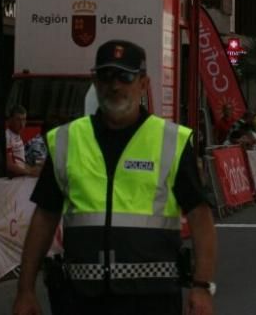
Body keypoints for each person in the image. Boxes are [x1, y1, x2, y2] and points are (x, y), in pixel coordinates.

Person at [13, 40, 216, 315]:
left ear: (143, 83)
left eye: (125, 76)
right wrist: (25, 291)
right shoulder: (67, 140)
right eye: (107, 76)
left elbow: (200, 217)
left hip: (151, 300)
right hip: (81, 299)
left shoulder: (172, 141)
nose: (115, 85)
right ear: (95, 82)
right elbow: (44, 217)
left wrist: (201, 286)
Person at [6, 105, 41, 178]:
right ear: (10, 120)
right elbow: (9, 165)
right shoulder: (7, 136)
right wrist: (30, 172)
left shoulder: (17, 134)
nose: (22, 124)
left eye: (24, 120)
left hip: (22, 174)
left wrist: (32, 169)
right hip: (15, 178)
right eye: (18, 120)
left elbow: (21, 162)